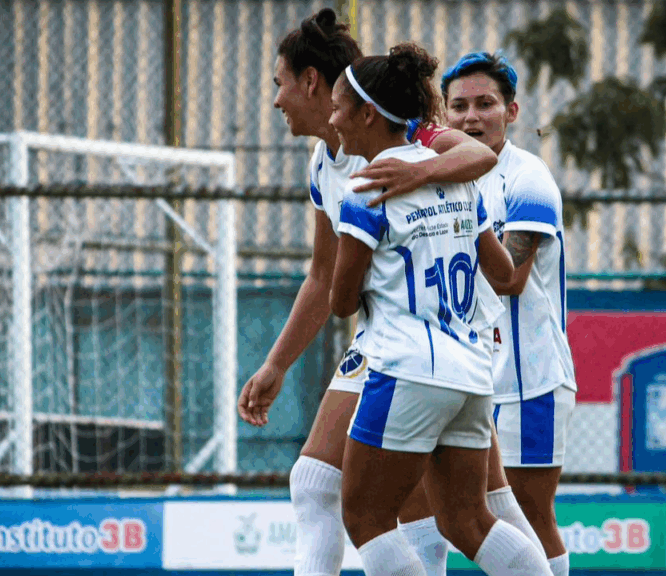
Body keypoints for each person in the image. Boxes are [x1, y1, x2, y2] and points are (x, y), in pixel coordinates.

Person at [236, 9, 498, 576]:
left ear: (311, 81)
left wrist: (417, 173)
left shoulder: (404, 136)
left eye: (279, 83)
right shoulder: (324, 162)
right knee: (321, 483)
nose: (276, 100)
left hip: (438, 337)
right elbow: (323, 274)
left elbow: (480, 155)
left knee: (469, 513)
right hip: (397, 342)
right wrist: (276, 365)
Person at [328, 42, 552, 576]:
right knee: (468, 521)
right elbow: (502, 272)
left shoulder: (366, 187)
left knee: (364, 518)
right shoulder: (454, 178)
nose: (333, 120)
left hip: (406, 368)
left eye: (339, 108)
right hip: (470, 371)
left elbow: (340, 302)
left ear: (367, 114)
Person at [441, 51, 579, 576]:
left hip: (529, 383)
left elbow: (509, 280)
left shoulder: (529, 181)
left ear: (512, 112)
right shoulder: (444, 177)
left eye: (485, 104)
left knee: (528, 516)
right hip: (466, 377)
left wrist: (461, 210)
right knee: (440, 511)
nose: (471, 117)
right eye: (459, 106)